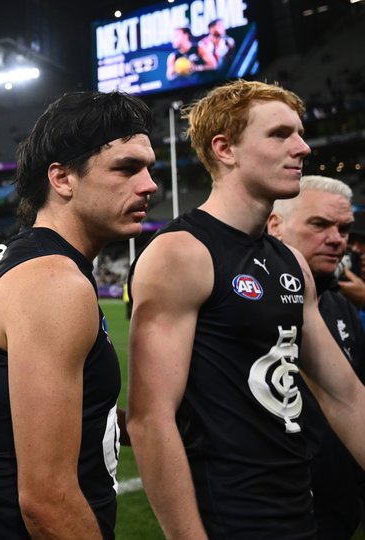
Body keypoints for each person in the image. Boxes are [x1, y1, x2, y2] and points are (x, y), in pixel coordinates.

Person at [128, 79, 365, 539]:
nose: (302, 147)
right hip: (229, 519)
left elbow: (345, 396)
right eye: (279, 134)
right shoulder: (182, 252)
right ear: (225, 148)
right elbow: (149, 418)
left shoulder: (289, 261)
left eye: (298, 133)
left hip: (300, 511)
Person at [0, 91, 157, 539]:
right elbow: (46, 502)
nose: (149, 184)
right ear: (62, 178)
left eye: (148, 168)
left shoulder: (23, 258)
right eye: (126, 168)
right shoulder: (54, 282)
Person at [267, 175, 365, 539]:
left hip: (338, 513)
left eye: (344, 228)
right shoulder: (240, 309)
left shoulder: (342, 306)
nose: (337, 239)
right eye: (320, 224)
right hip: (270, 515)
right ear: (275, 225)